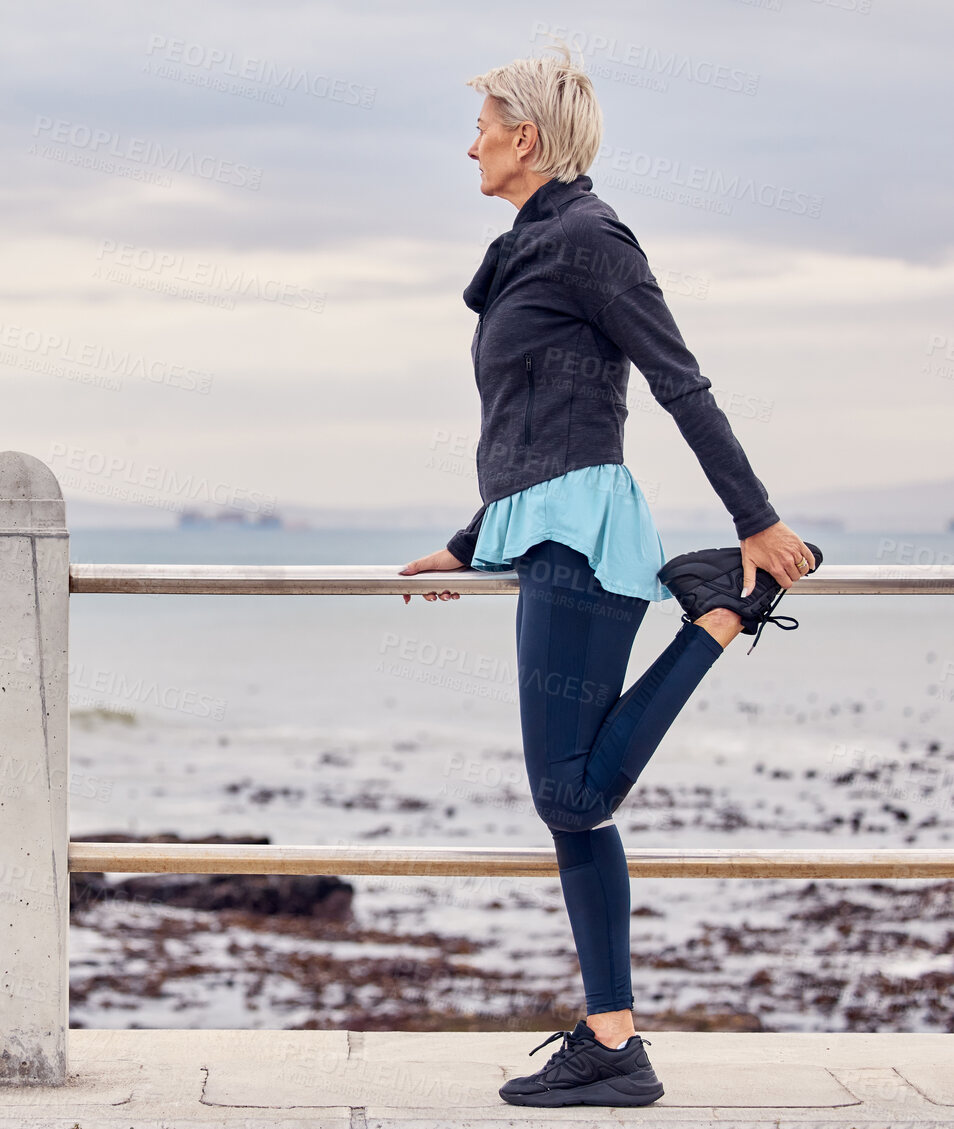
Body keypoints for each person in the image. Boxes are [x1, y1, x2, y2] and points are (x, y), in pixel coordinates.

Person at [397, 42, 822, 1108]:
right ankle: (612, 1039)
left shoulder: (589, 238)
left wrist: (756, 520)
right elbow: (528, 422)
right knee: (574, 807)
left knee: (572, 791)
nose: (471, 142)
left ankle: (723, 609)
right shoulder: (534, 244)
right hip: (543, 527)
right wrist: (469, 538)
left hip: (584, 534)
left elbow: (681, 382)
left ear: (525, 139)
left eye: (484, 125)